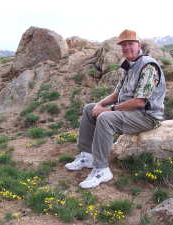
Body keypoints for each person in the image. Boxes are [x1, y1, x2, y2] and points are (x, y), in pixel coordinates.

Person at [65, 29, 166, 189]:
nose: (127, 48)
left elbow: (140, 101)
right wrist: (99, 105)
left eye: (130, 44)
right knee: (90, 109)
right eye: (123, 45)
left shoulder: (148, 66)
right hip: (130, 113)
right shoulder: (129, 67)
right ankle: (88, 156)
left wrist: (109, 110)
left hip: (146, 116)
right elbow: (117, 93)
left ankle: (102, 169)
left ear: (138, 44)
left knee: (105, 118)